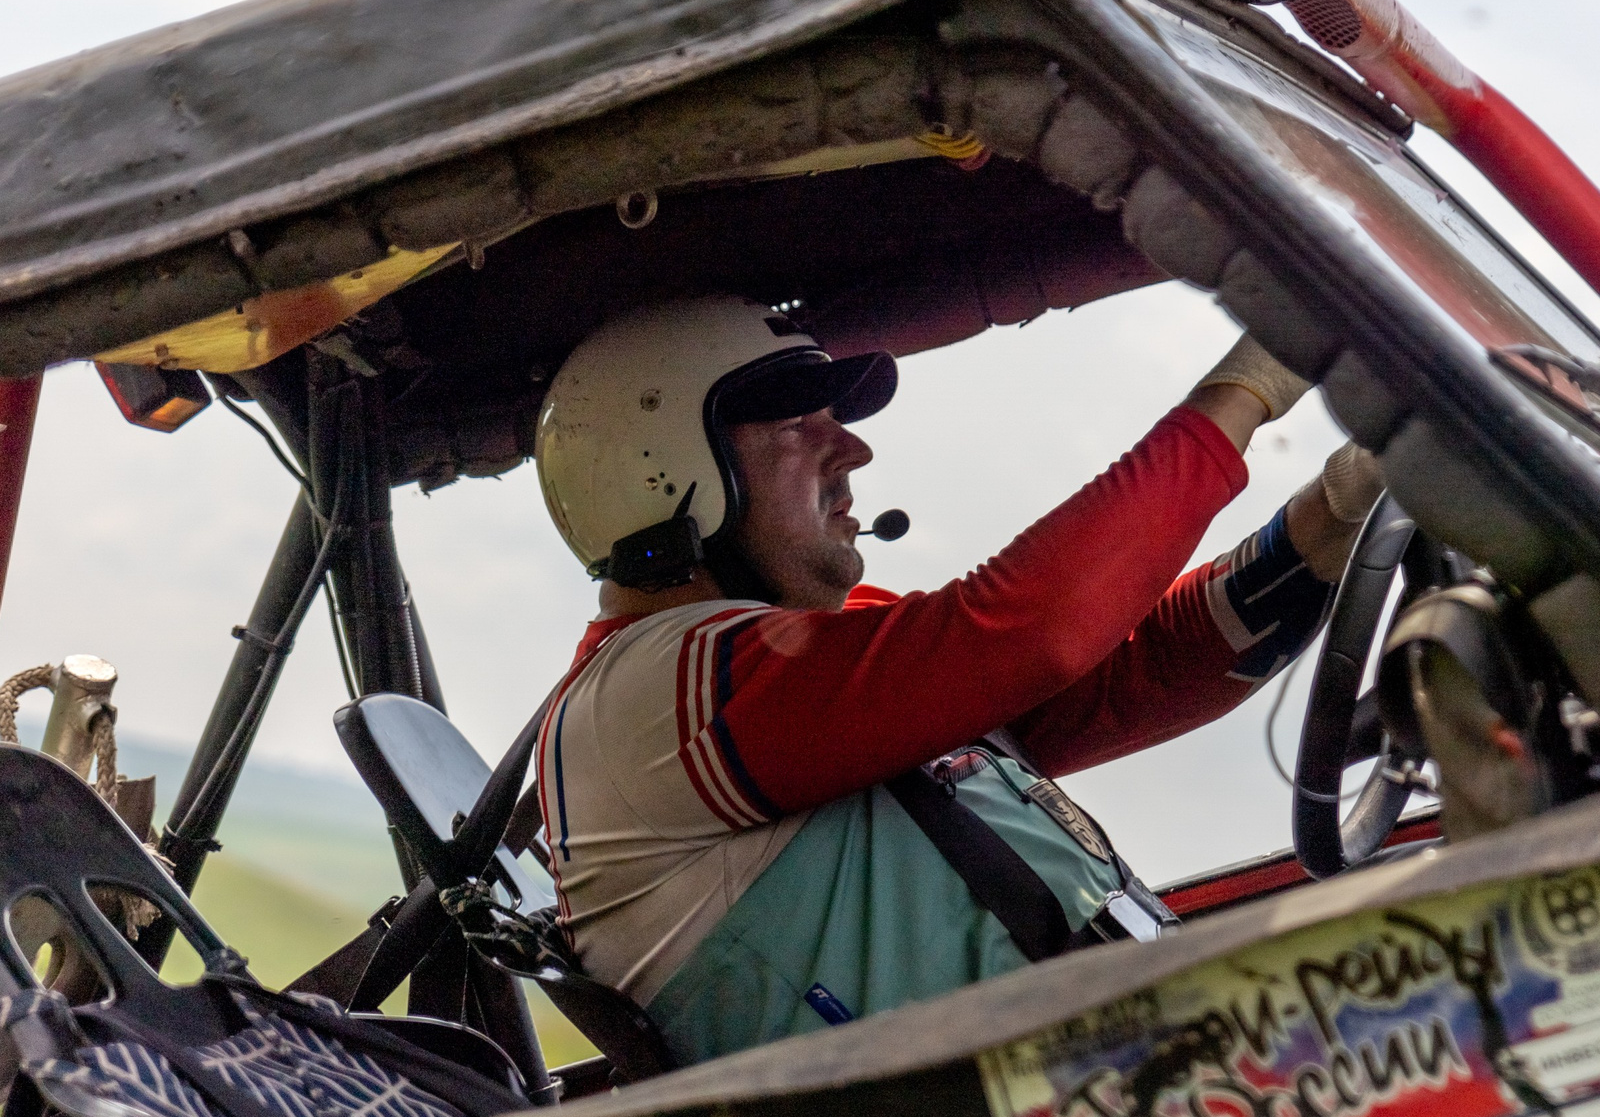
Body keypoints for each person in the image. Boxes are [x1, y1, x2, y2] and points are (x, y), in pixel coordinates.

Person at [531, 295, 1384, 1063]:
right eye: (796, 423)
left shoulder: (808, 664)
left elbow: (1141, 670)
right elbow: (1037, 630)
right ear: (660, 465)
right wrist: (1254, 379)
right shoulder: (648, 696)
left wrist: (1343, 504)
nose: (853, 447)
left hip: (1121, 1090)